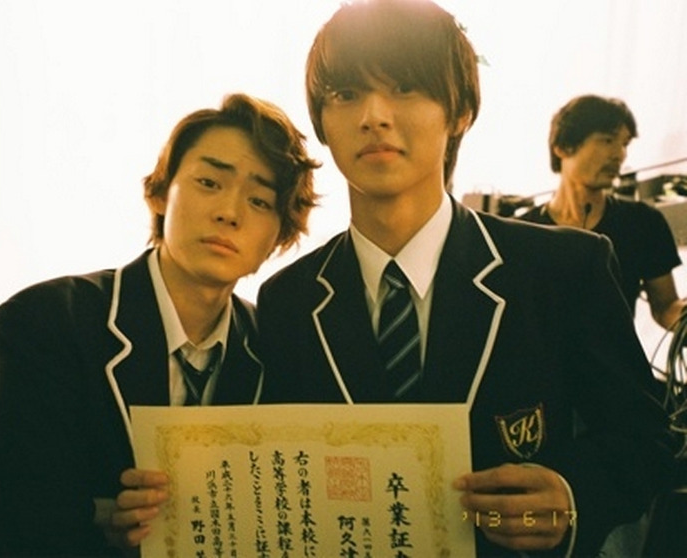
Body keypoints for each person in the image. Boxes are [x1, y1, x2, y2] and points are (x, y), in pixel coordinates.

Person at [255, 0, 678, 556]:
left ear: (460, 112)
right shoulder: (289, 300)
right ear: (322, 124)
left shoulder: (563, 268)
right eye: (345, 94)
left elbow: (645, 440)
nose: (373, 116)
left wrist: (574, 495)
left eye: (405, 87)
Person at [0, 93, 319, 557]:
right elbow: (17, 522)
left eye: (260, 200)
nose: (229, 212)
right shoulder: (46, 322)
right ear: (159, 193)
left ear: (278, 237)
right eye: (209, 182)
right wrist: (104, 528)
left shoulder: (273, 345)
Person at [519, 94, 686, 330]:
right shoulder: (521, 232)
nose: (620, 154)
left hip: (615, 356)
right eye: (607, 140)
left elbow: (665, 307)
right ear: (563, 147)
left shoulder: (643, 222)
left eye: (624, 143)